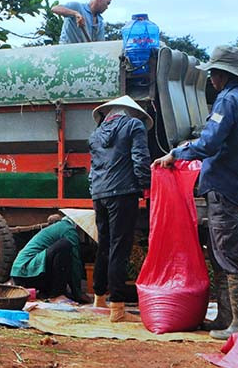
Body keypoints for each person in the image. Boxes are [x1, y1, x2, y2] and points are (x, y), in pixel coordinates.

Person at [153, 45, 238, 340]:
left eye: (213, 73)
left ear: (222, 74)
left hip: (224, 186)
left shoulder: (227, 101)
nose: (211, 79)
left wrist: (176, 154)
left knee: (229, 252)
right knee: (221, 253)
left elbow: (210, 143)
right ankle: (227, 316)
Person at [88, 94, 152, 323]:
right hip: (123, 193)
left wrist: (96, 191)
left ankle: (99, 298)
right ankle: (117, 307)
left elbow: (93, 170)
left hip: (99, 194)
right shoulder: (134, 125)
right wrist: (146, 185)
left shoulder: (95, 134)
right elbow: (140, 158)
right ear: (129, 112)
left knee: (103, 245)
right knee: (120, 247)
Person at [10, 214, 88, 302]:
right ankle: (57, 294)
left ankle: (48, 292)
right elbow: (75, 261)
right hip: (26, 272)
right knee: (65, 245)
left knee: (63, 251)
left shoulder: (59, 227)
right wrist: (78, 293)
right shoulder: (68, 229)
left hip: (23, 274)